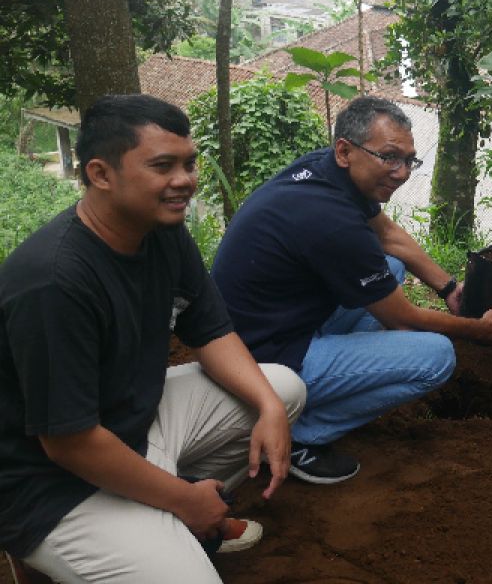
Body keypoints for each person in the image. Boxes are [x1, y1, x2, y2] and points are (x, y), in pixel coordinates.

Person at [0, 95, 305, 583]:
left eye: (189, 163)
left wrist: (269, 409)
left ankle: (165, 512)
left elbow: (211, 331)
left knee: (281, 389)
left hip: (128, 424)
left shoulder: (160, 231)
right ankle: (147, 521)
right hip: (47, 480)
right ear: (101, 174)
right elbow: (69, 444)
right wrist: (186, 503)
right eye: (163, 166)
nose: (184, 180)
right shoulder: (54, 283)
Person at [212, 96, 492, 486]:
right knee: (437, 356)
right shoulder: (333, 220)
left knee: (389, 268)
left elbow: (388, 236)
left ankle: (333, 381)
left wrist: (448, 288)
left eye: (409, 159)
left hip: (268, 320)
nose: (402, 172)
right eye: (390, 157)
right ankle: (301, 433)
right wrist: (477, 329)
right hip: (264, 359)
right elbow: (402, 317)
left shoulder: (323, 170)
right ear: (345, 150)